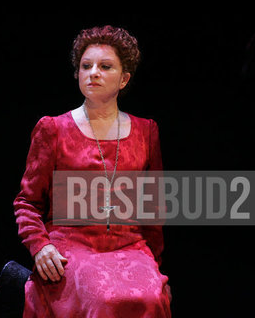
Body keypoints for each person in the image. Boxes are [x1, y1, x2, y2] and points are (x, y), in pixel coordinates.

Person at [14, 25, 171, 317]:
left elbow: (153, 207)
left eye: (105, 66)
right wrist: (40, 246)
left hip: (130, 247)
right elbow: (27, 202)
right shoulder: (53, 129)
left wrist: (155, 266)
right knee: (103, 299)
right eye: (86, 66)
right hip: (72, 246)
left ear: (124, 79)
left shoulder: (146, 131)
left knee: (151, 298)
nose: (93, 72)